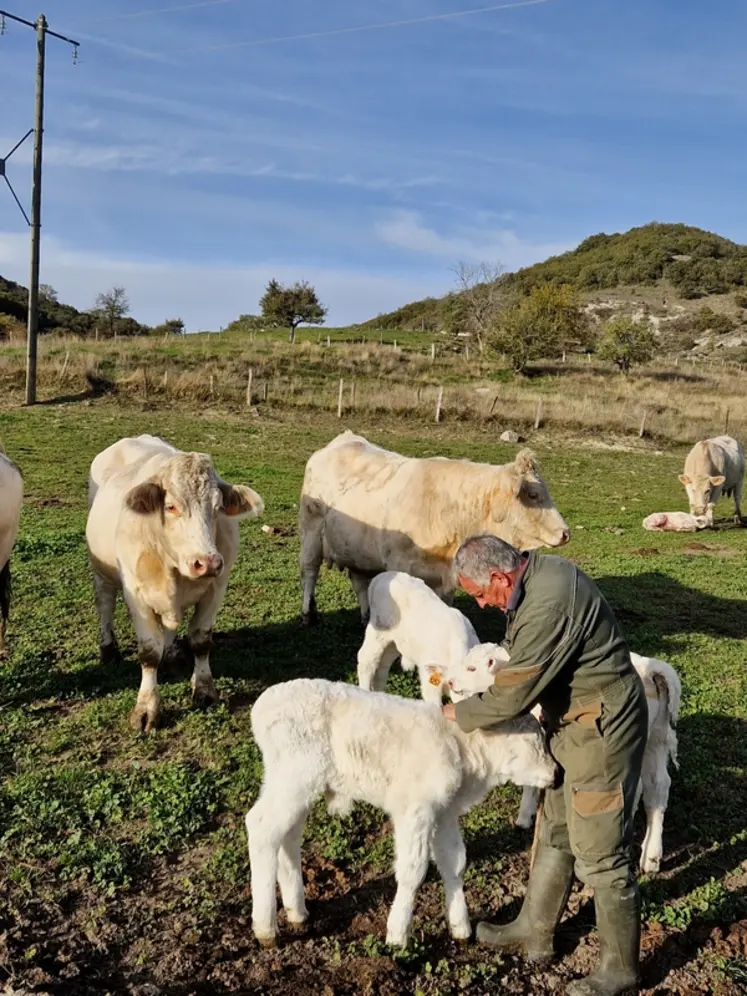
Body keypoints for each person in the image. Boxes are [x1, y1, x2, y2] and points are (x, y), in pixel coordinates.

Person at [442, 534, 647, 996]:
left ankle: (620, 970)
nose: (482, 604)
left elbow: (515, 690)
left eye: (480, 594)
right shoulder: (535, 579)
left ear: (499, 576)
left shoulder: (547, 604)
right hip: (573, 724)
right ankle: (534, 929)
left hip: (602, 730)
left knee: (602, 847)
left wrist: (462, 712)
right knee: (555, 826)